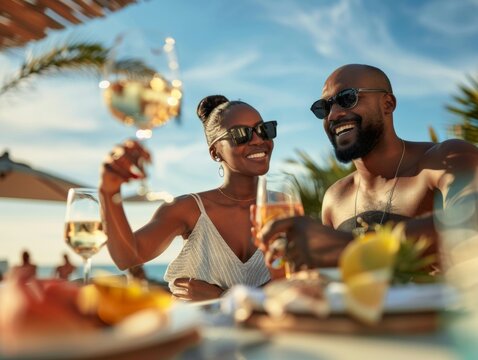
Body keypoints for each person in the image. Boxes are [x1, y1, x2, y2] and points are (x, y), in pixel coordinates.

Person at [260, 64, 478, 269]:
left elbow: (471, 219)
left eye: (347, 98)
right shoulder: (334, 198)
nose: (333, 114)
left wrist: (351, 246)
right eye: (324, 107)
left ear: (388, 104)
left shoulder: (446, 159)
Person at [100, 95, 277, 301]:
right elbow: (128, 257)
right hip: (193, 330)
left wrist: (225, 296)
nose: (258, 140)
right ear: (215, 152)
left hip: (266, 332)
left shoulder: (283, 206)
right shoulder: (188, 209)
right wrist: (109, 191)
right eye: (241, 134)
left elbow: (297, 280)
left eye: (264, 129)